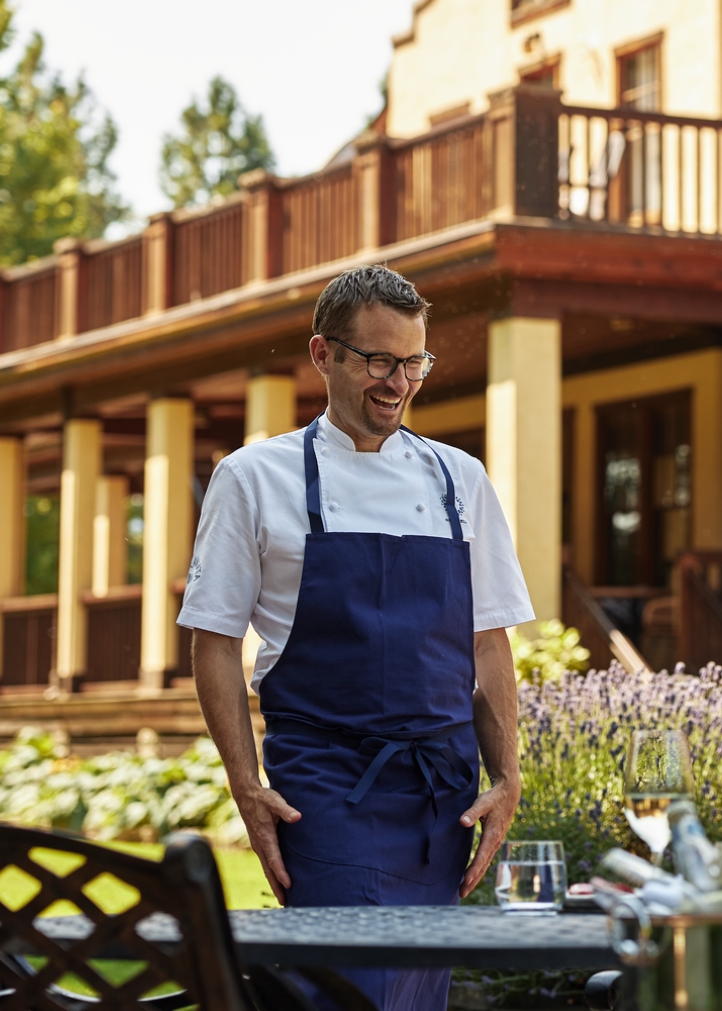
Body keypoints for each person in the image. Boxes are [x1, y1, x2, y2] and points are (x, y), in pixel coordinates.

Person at [180, 264, 536, 1011]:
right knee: (349, 989)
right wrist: (247, 787)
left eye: (413, 362)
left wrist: (507, 779)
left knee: (414, 991)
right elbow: (213, 641)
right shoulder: (252, 477)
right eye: (378, 360)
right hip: (328, 786)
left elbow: (488, 642)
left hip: (440, 792)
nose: (398, 383)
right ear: (323, 355)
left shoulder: (459, 479)